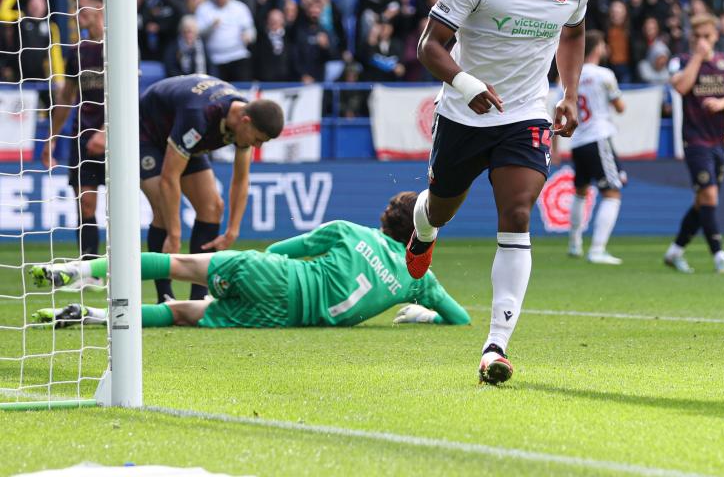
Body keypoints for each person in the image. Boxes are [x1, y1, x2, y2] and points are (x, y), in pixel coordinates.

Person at [407, 0, 588, 385]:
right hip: (464, 113)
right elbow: (429, 46)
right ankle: (424, 229)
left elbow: (573, 33)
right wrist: (468, 85)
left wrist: (569, 93)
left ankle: (495, 346)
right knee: (442, 207)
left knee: (518, 212)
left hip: (524, 113)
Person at [31, 193, 469, 329]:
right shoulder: (420, 278)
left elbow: (279, 251)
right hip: (283, 316)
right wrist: (421, 316)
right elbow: (462, 319)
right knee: (185, 313)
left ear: (386, 218)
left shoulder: (348, 232)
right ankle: (87, 317)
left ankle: (80, 272)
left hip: (276, 274)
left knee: (180, 266)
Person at [139, 75, 284, 303]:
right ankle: (164, 296)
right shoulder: (199, 114)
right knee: (163, 211)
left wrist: (232, 231)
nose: (257, 146)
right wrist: (174, 235)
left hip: (184, 138)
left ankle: (200, 295)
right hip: (148, 133)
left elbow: (240, 180)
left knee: (212, 207)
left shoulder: (243, 118)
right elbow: (169, 178)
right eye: (257, 140)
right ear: (245, 121)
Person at [663, 13, 724, 275]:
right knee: (709, 195)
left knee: (703, 201)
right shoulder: (681, 62)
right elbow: (681, 88)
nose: (702, 41)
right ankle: (719, 256)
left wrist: (721, 103)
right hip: (694, 140)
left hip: (718, 140)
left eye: (707, 37)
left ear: (716, 36)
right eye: (697, 37)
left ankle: (675, 251)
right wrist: (697, 57)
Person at [43, 0, 105, 267]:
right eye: (75, 7)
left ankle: (126, 269)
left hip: (118, 136)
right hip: (83, 132)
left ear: (100, 8)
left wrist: (106, 130)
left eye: (83, 7)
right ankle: (89, 268)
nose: (78, 12)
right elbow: (66, 99)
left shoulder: (120, 47)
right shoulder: (77, 52)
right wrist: (51, 139)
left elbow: (130, 96)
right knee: (85, 203)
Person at [565, 30, 626, 265]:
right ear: (598, 48)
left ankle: (574, 243)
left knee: (581, 191)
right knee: (612, 192)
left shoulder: (570, 75)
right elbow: (620, 107)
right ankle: (598, 249)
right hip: (598, 137)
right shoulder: (604, 75)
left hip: (578, 140)